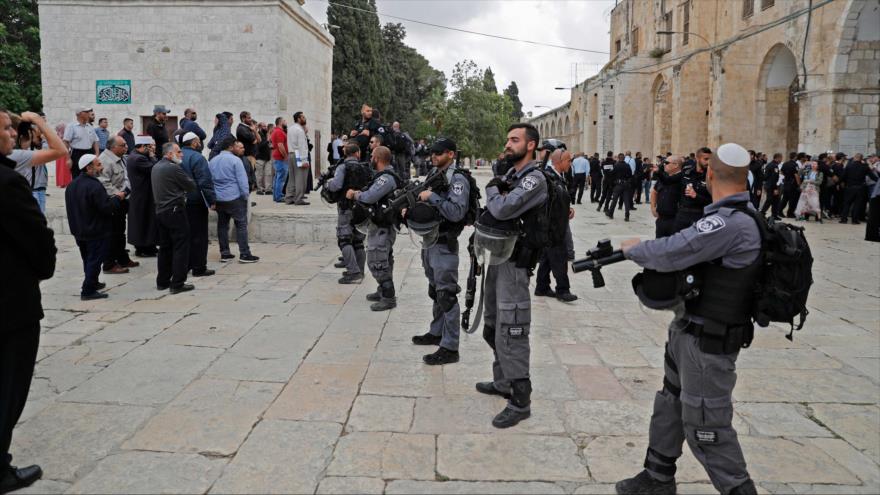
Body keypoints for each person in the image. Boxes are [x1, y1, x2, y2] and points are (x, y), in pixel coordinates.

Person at [616, 143, 760, 495]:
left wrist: (634, 249)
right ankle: (657, 477)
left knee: (707, 427)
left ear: (709, 173)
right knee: (670, 403)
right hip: (691, 329)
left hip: (709, 341)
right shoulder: (740, 216)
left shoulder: (729, 222)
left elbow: (673, 250)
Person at [475, 123, 548, 429]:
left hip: (515, 264)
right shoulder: (513, 175)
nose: (508, 144)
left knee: (512, 329)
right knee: (493, 325)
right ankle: (503, 380)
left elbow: (503, 209)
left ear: (530, 145)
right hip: (499, 256)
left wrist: (493, 189)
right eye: (507, 139)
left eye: (514, 140)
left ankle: (520, 400)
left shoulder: (534, 179)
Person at [0, 108, 57, 495]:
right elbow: (37, 240)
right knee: (8, 386)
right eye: (6, 128)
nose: (12, 133)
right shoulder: (7, 182)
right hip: (10, 304)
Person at [410, 137, 472, 365]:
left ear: (451, 154)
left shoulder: (457, 179)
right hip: (430, 241)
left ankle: (450, 347)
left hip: (445, 244)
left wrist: (432, 197)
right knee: (435, 290)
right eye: (432, 153)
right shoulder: (435, 174)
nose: (433, 156)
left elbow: (456, 212)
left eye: (438, 153)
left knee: (446, 295)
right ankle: (436, 332)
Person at [346, 145, 399, 310]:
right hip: (381, 225)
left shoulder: (386, 178)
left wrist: (354, 194)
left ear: (378, 158)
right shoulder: (384, 175)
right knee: (384, 259)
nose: (370, 159)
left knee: (377, 260)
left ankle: (389, 298)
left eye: (372, 156)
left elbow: (369, 197)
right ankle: (382, 290)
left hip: (383, 226)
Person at [66, 154, 125, 300]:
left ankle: (93, 282)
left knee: (87, 258)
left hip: (79, 229)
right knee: (95, 260)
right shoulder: (94, 186)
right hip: (95, 230)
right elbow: (106, 208)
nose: (102, 167)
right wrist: (117, 199)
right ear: (88, 168)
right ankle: (88, 290)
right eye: (98, 165)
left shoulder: (72, 184)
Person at [151, 142, 197, 293]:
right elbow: (191, 185)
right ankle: (178, 283)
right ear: (169, 154)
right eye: (178, 152)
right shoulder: (173, 168)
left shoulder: (156, 167)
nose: (181, 154)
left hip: (161, 211)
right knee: (180, 246)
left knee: (165, 247)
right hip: (174, 211)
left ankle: (162, 281)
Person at [535, 148, 577, 302]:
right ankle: (563, 290)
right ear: (559, 162)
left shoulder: (558, 177)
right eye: (568, 160)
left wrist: (568, 209)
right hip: (552, 226)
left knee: (547, 256)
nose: (570, 163)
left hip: (556, 224)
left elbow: (558, 201)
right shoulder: (549, 177)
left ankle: (542, 287)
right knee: (559, 257)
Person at [209, 137, 259, 263]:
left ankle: (225, 253)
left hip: (219, 198)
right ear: (230, 147)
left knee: (222, 226)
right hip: (234, 197)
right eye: (235, 145)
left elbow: (210, 181)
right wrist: (245, 196)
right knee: (241, 225)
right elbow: (242, 181)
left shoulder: (213, 161)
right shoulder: (235, 160)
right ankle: (244, 254)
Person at [9, 112, 66, 214]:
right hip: (32, 189)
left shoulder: (20, 154)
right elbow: (60, 150)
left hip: (38, 187)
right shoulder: (20, 155)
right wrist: (38, 121)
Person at [327, 143, 367, 284]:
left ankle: (353, 272)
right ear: (357, 153)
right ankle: (360, 271)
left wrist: (328, 183)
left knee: (344, 239)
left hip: (346, 206)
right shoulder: (364, 167)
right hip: (361, 207)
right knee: (358, 240)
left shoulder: (342, 167)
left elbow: (336, 185)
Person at [98, 136, 139, 274]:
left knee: (120, 232)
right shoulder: (105, 160)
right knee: (112, 233)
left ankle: (122, 258)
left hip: (124, 199)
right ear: (113, 147)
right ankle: (109, 264)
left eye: (126, 144)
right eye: (123, 145)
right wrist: (118, 194)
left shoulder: (121, 158)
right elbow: (103, 182)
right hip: (113, 201)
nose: (126, 147)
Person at [179, 132, 216, 277]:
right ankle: (199, 267)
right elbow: (204, 181)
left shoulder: (177, 155)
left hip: (180, 201)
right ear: (194, 142)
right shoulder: (197, 157)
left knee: (185, 235)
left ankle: (186, 264)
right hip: (195, 201)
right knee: (199, 235)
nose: (200, 143)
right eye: (198, 141)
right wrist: (212, 200)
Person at [127, 136, 159, 257]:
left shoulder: (135, 155)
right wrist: (152, 156)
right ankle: (143, 248)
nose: (152, 149)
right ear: (143, 146)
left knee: (147, 221)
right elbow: (155, 169)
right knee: (143, 222)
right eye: (150, 147)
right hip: (143, 195)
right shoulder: (139, 158)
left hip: (143, 194)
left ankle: (149, 246)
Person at [672, 147, 712, 232]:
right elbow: (673, 186)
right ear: (697, 158)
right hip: (682, 215)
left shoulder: (710, 176)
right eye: (706, 159)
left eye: (710, 159)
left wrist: (696, 196)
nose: (708, 162)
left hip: (700, 216)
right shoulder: (687, 171)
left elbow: (712, 201)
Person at [839, 153, 877, 224]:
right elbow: (872, 176)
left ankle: (843, 219)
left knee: (847, 203)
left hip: (849, 187)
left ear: (855, 158)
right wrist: (878, 181)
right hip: (860, 188)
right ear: (861, 159)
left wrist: (839, 183)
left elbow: (843, 176)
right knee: (857, 204)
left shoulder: (849, 166)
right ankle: (854, 220)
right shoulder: (865, 166)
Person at [63, 107, 99, 178]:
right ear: (79, 114)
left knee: (90, 175)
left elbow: (95, 141)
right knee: (77, 176)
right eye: (86, 112)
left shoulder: (89, 126)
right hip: (77, 153)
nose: (88, 113)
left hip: (89, 152)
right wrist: (68, 159)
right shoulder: (71, 126)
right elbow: (66, 142)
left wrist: (97, 155)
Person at [652, 156, 683, 238]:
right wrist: (653, 207)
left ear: (676, 165)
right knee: (659, 243)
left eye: (666, 163)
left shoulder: (682, 178)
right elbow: (654, 192)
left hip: (675, 219)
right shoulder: (664, 177)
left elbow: (669, 181)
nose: (664, 165)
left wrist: (658, 172)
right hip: (661, 218)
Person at [284, 111, 310, 206]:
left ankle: (289, 197)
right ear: (298, 119)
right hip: (298, 154)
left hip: (291, 154)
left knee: (292, 177)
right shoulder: (299, 130)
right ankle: (298, 199)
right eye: (303, 117)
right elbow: (302, 146)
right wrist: (304, 160)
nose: (305, 118)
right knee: (300, 177)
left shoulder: (290, 128)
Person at [236, 111, 261, 189]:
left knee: (251, 176)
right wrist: (254, 131)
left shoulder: (247, 128)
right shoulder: (242, 129)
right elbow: (255, 141)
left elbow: (259, 140)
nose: (251, 119)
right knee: (248, 177)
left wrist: (254, 131)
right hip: (247, 156)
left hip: (251, 156)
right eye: (249, 118)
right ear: (243, 119)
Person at [605, 153, 633, 221]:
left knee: (614, 200)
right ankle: (627, 216)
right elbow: (630, 175)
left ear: (618, 158)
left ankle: (611, 214)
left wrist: (612, 184)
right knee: (626, 200)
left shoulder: (616, 165)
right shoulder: (627, 165)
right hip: (626, 184)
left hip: (618, 184)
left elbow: (612, 175)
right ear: (624, 158)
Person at [777, 152, 801, 218]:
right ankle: (790, 213)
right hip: (792, 185)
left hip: (786, 183)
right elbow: (796, 175)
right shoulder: (795, 164)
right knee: (792, 200)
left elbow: (781, 172)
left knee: (784, 199)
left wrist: (787, 175)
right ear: (795, 157)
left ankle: (779, 211)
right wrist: (799, 184)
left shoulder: (785, 163)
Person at [270, 117, 288, 202]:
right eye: (284, 121)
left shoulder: (276, 131)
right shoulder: (279, 132)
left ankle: (276, 196)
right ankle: (279, 196)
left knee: (278, 177)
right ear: (280, 122)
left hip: (278, 157)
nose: (286, 122)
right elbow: (280, 145)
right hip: (280, 158)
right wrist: (285, 156)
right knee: (281, 178)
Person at [760, 153, 782, 219]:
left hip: (769, 185)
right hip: (771, 186)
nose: (781, 160)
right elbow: (774, 178)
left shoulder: (770, 164)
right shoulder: (774, 166)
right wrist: (775, 188)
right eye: (781, 158)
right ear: (777, 158)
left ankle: (774, 215)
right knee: (770, 200)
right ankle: (762, 213)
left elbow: (766, 176)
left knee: (776, 200)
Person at [254, 122, 273, 195]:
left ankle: (268, 189)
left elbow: (268, 145)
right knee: (259, 175)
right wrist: (267, 140)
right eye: (264, 126)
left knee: (268, 174)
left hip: (268, 158)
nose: (266, 128)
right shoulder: (257, 135)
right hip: (260, 158)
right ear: (260, 127)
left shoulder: (266, 135)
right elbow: (259, 146)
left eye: (266, 126)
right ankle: (260, 189)